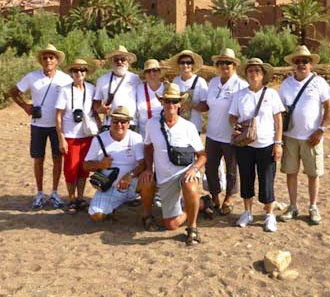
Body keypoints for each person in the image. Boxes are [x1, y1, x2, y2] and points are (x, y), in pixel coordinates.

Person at [140, 83, 207, 246]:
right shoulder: (152, 124)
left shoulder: (188, 127)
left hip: (186, 171)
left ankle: (192, 228)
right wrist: (149, 168)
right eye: (167, 101)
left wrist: (194, 168)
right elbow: (148, 147)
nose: (171, 105)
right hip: (165, 177)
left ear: (180, 104)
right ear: (162, 102)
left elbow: (202, 155)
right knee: (171, 225)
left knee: (191, 186)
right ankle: (200, 204)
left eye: (174, 101)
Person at [10, 44, 72, 209]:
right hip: (38, 125)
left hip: (58, 127)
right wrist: (25, 106)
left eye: (51, 57)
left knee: (58, 160)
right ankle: (39, 193)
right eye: (45, 58)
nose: (48, 60)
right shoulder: (32, 77)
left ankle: (54, 193)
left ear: (57, 61)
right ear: (41, 61)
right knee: (38, 160)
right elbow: (13, 92)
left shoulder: (66, 79)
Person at [278, 46, 330, 225]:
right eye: (298, 61)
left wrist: (321, 130)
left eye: (305, 61)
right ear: (293, 64)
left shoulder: (319, 82)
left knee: (313, 173)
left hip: (312, 137)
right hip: (290, 137)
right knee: (291, 172)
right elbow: (279, 111)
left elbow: (329, 108)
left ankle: (313, 206)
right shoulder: (286, 84)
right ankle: (293, 206)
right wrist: (280, 138)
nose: (301, 64)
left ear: (311, 64)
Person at [229, 58, 285, 232]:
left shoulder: (271, 94)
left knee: (267, 180)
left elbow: (278, 120)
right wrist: (236, 126)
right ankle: (247, 212)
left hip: (266, 144)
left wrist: (278, 143)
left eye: (257, 71)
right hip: (245, 145)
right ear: (246, 74)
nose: (254, 74)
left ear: (263, 75)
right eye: (251, 71)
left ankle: (269, 215)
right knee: (246, 178)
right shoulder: (240, 95)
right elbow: (232, 116)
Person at [202, 48, 247, 215]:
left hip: (230, 136)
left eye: (228, 62)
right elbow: (207, 105)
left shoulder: (241, 85)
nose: (224, 65)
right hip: (212, 134)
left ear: (234, 65)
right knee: (210, 167)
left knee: (231, 169)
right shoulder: (213, 83)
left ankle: (228, 198)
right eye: (221, 62)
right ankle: (215, 197)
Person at [83, 106, 147, 221]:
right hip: (110, 187)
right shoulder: (99, 139)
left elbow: (143, 164)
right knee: (96, 216)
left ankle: (147, 214)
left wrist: (130, 175)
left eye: (123, 121)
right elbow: (85, 165)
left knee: (148, 180)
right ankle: (115, 205)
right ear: (110, 121)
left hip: (132, 183)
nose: (119, 125)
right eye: (115, 121)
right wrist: (100, 165)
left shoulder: (136, 138)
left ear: (128, 123)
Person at [55, 59, 99, 214]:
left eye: (82, 70)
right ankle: (71, 198)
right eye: (75, 70)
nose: (79, 73)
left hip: (87, 136)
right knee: (70, 169)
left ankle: (81, 197)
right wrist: (61, 138)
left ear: (86, 73)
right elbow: (58, 115)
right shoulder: (65, 90)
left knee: (83, 169)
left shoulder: (92, 89)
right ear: (71, 73)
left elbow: (95, 110)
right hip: (70, 136)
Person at [93, 46, 141, 130]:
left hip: (131, 124)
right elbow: (96, 104)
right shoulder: (102, 80)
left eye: (123, 59)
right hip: (110, 124)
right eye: (116, 60)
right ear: (112, 62)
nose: (119, 62)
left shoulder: (136, 79)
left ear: (128, 61)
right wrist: (100, 109)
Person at [168, 50, 208, 133]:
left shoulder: (200, 82)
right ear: (179, 65)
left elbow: (206, 107)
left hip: (194, 127)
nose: (185, 65)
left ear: (192, 65)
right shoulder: (175, 81)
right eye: (182, 62)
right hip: (177, 126)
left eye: (188, 62)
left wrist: (190, 105)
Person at [136, 59, 167, 138]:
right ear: (145, 74)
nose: (151, 73)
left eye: (154, 70)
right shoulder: (139, 89)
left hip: (163, 133)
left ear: (159, 72)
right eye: (148, 71)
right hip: (143, 135)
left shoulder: (167, 89)